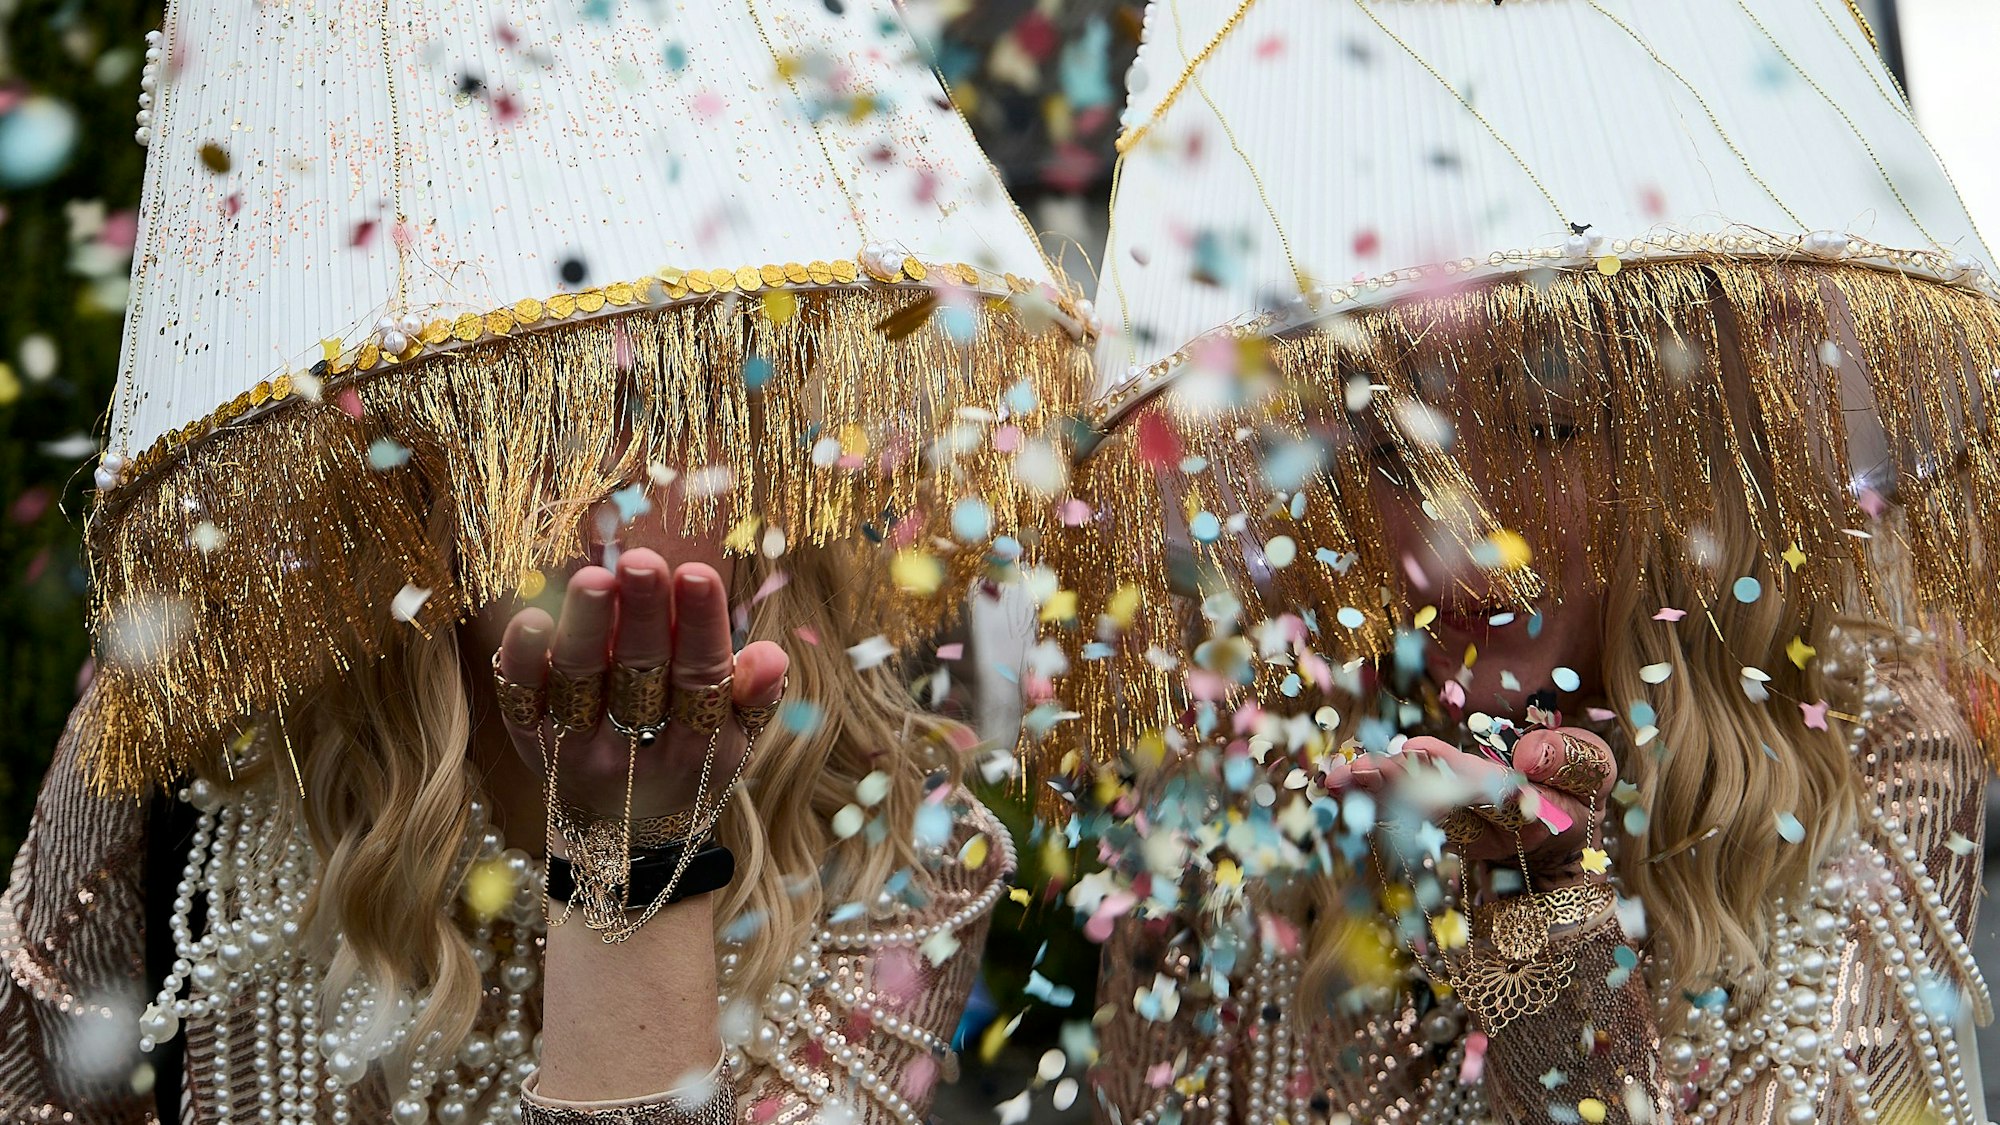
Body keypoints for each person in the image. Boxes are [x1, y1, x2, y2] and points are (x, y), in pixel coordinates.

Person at [0, 1, 1092, 1122]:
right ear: (399, 458)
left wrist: (635, 867)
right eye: (505, 407)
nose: (588, 487)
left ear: (755, 438)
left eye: (642, 394)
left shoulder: (884, 837)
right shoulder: (198, 755)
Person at [1043, 2, 1994, 1121]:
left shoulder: (1860, 737)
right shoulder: (1246, 778)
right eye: (1393, 451)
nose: (1456, 553)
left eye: (1550, 426)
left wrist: (1551, 950)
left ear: (1691, 451)